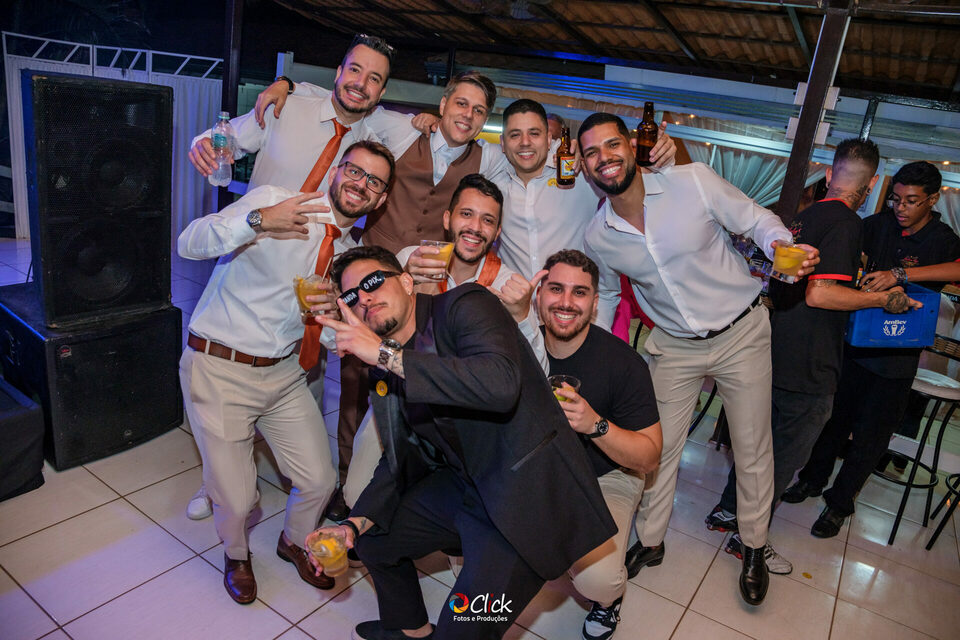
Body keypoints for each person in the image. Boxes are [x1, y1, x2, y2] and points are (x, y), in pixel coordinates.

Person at [310, 245, 616, 640]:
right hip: (465, 488)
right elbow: (402, 457)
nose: (364, 299)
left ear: (407, 281)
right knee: (374, 539)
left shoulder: (465, 305)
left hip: (524, 503)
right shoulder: (387, 365)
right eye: (351, 296)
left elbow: (500, 384)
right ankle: (412, 632)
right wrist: (353, 524)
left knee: (464, 631)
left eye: (373, 282)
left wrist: (384, 355)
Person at [578, 112, 819, 606]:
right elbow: (607, 295)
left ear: (632, 146)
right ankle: (650, 541)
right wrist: (596, 355)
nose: (604, 157)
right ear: (583, 166)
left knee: (752, 447)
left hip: (741, 332)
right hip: (673, 344)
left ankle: (753, 544)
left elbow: (755, 218)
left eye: (612, 144)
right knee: (656, 448)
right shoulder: (598, 235)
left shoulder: (692, 182)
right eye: (591, 152)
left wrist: (779, 244)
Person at [257, 71, 506, 519]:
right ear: (443, 104)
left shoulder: (486, 157)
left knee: (414, 382)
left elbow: (536, 159)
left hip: (420, 288)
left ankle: (409, 481)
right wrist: (289, 85)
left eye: (479, 110)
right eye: (461, 103)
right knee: (355, 387)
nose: (468, 115)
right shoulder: (399, 128)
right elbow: (350, 100)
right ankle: (346, 485)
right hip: (366, 277)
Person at [184, 33, 410, 521]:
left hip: (317, 274)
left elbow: (431, 129)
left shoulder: (377, 131)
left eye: (375, 79)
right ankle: (217, 481)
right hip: (256, 252)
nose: (361, 83)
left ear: (382, 91)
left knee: (300, 380)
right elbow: (225, 139)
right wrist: (204, 146)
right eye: (355, 70)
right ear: (338, 72)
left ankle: (301, 482)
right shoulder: (290, 104)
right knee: (224, 403)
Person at [177, 141, 395, 604]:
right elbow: (189, 242)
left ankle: (294, 540)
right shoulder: (277, 201)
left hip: (284, 375)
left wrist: (334, 321)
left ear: (380, 199)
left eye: (374, 182)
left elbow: (333, 338)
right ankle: (236, 554)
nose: (361, 184)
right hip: (220, 367)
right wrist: (258, 221)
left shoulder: (352, 256)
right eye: (355, 171)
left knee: (320, 480)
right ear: (336, 171)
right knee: (238, 501)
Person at [704, 138, 921, 571]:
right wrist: (882, 299)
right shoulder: (847, 223)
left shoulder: (803, 218)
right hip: (811, 361)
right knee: (786, 452)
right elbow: (821, 294)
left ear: (829, 174)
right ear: (873, 184)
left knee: (759, 445)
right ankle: (750, 537)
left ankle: (728, 510)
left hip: (774, 347)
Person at [340, 174, 551, 507]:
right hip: (401, 394)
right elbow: (367, 326)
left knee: (449, 506)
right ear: (447, 218)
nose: (475, 227)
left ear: (497, 233)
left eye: (487, 220)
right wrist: (403, 282)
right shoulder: (412, 260)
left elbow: (538, 374)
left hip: (467, 413)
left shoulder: (509, 284)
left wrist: (523, 316)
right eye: (466, 214)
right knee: (357, 493)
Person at [784, 160, 960, 538]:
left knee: (871, 436)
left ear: (932, 200)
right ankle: (811, 479)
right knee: (833, 421)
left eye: (911, 201)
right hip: (855, 341)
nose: (900, 207)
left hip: (897, 355)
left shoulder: (942, 239)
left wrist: (901, 274)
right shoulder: (877, 225)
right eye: (895, 198)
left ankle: (839, 504)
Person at [538, 249, 662, 640]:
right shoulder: (521, 345)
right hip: (539, 467)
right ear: (539, 294)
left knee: (598, 579)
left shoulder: (623, 363)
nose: (565, 302)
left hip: (606, 475)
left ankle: (609, 603)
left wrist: (595, 424)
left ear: (594, 304)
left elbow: (649, 456)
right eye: (556, 289)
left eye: (579, 292)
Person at [494, 99, 674, 280]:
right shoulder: (493, 183)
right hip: (513, 297)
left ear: (549, 139)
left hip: (575, 295)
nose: (525, 142)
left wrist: (659, 157)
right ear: (502, 142)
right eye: (514, 135)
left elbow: (636, 184)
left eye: (534, 133)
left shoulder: (580, 172)